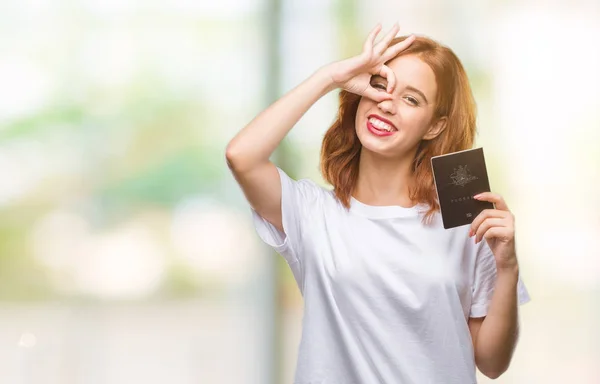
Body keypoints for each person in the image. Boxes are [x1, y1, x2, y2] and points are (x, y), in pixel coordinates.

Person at [226, 23, 531, 384]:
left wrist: (508, 267)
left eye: (412, 99)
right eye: (381, 86)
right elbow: (241, 155)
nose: (387, 104)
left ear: (434, 126)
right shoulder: (312, 213)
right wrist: (330, 77)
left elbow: (493, 363)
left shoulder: (465, 220)